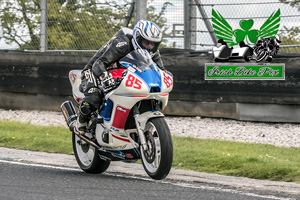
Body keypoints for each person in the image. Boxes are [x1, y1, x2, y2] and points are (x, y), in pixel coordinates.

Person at [75, 20, 167, 135]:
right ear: (138, 38)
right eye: (146, 42)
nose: (149, 46)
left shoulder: (153, 52)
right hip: (96, 69)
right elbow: (99, 64)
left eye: (153, 44)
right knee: (94, 97)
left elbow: (161, 70)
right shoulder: (122, 43)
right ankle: (81, 119)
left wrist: (166, 77)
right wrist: (105, 76)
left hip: (120, 72)